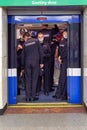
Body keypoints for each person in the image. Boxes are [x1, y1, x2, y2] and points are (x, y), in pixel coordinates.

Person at [21, 32, 44, 102]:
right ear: (30, 36)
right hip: (35, 63)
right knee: (34, 79)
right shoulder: (36, 41)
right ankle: (33, 97)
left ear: (26, 37)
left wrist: (22, 67)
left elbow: (23, 56)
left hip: (27, 63)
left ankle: (27, 97)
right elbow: (41, 52)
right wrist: (41, 62)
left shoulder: (24, 44)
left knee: (27, 80)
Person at [53, 29, 68, 101]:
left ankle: (60, 94)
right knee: (62, 78)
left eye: (65, 33)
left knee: (62, 78)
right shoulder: (67, 42)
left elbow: (61, 51)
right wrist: (59, 57)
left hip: (63, 61)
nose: (64, 34)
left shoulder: (62, 42)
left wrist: (59, 57)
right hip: (64, 61)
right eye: (64, 33)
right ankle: (61, 94)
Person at [17, 28, 25, 95]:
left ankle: (26, 89)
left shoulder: (27, 41)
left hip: (26, 61)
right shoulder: (17, 41)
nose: (22, 35)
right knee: (18, 76)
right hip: (18, 62)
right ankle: (18, 90)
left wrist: (22, 47)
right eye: (21, 33)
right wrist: (17, 48)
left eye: (23, 34)